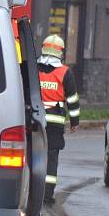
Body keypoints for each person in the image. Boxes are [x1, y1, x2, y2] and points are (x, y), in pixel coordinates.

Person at [38, 34, 80, 203]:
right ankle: (47, 195)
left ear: (43, 47)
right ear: (60, 52)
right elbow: (72, 100)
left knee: (30, 154)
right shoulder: (65, 72)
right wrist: (75, 122)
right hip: (54, 124)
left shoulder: (32, 68)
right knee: (51, 157)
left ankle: (27, 191)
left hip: (33, 120)